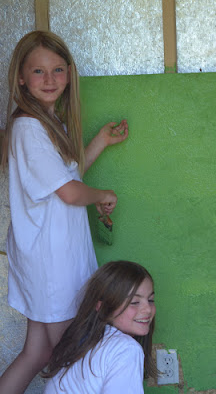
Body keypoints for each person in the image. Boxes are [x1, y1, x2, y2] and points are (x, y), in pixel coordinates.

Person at [0, 30, 129, 394]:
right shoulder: (29, 127)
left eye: (57, 69)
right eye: (38, 71)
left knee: (38, 353)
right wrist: (102, 194)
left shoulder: (48, 123)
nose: (50, 79)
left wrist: (100, 142)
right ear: (21, 78)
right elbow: (70, 193)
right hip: (51, 263)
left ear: (69, 74)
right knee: (71, 357)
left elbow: (66, 177)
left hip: (46, 257)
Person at [43, 260, 156, 393]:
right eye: (135, 302)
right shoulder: (126, 349)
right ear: (102, 307)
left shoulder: (83, 341)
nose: (148, 309)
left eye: (151, 300)